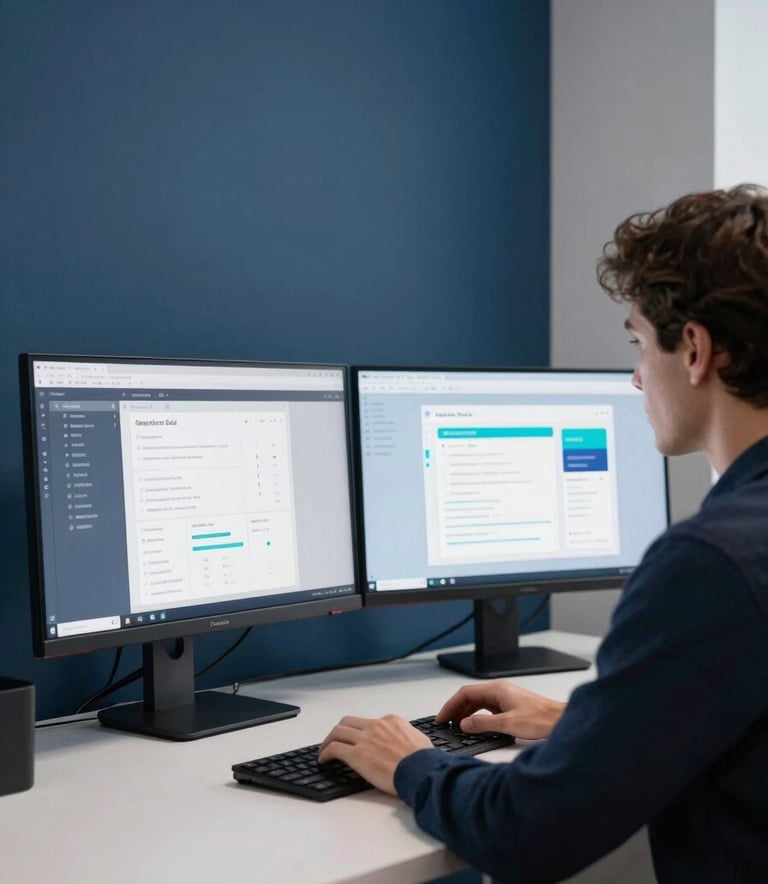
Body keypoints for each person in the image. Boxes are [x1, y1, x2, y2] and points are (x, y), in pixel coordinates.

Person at [319, 184, 768, 883]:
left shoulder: (710, 564)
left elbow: (528, 832)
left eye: (640, 344)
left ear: (696, 351)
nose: (634, 376)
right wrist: (582, 728)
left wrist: (408, 761)